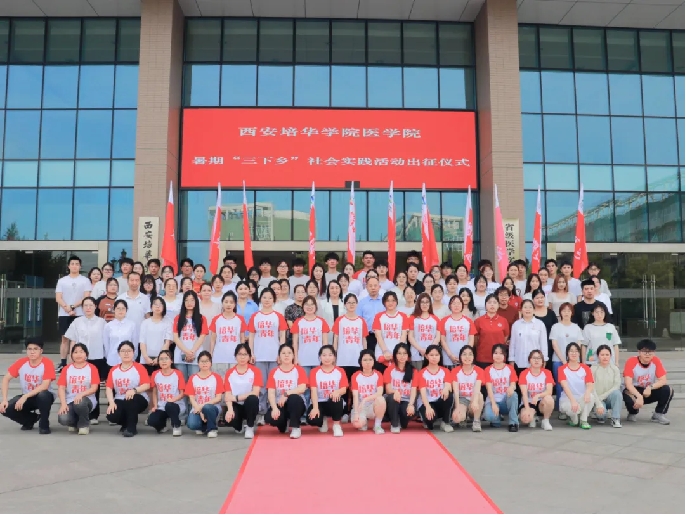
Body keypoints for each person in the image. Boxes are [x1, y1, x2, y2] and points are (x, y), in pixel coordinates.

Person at [0, 337, 56, 433]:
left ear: (41, 351)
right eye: (29, 349)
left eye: (35, 349)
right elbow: (6, 379)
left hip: (44, 396)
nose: (32, 352)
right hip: (27, 397)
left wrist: (25, 396)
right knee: (6, 408)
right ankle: (30, 419)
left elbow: (45, 386)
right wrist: (4, 399)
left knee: (43, 395)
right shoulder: (22, 362)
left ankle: (44, 423)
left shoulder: (47, 363)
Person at [248, 288, 288, 417]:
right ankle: (262, 412)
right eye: (264, 297)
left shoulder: (278, 316)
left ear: (274, 300)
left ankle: (274, 410)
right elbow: (251, 336)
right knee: (261, 386)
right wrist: (251, 353)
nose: (267, 300)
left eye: (270, 298)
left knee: (274, 385)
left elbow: (282, 336)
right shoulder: (255, 316)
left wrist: (281, 354)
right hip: (259, 356)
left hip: (274, 356)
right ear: (260, 299)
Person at [105, 341, 150, 437]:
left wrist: (134, 390)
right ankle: (125, 424)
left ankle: (131, 428)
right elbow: (109, 388)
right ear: (119, 353)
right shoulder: (114, 370)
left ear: (133, 353)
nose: (126, 353)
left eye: (129, 351)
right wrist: (111, 402)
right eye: (123, 351)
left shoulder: (139, 367)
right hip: (120, 398)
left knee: (130, 400)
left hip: (138, 398)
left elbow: (147, 385)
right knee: (112, 415)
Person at [623, 339, 673, 425]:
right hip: (635, 390)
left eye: (650, 352)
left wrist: (650, 387)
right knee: (626, 392)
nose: (647, 354)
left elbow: (663, 380)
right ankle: (632, 412)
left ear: (654, 353)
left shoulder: (656, 361)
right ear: (639, 352)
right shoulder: (631, 361)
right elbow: (628, 384)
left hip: (649, 390)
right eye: (644, 351)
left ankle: (658, 414)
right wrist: (639, 396)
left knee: (668, 389)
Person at [55, 255, 92, 372]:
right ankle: (63, 363)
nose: (75, 266)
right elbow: (58, 297)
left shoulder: (85, 280)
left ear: (80, 266)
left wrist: (73, 307)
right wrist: (67, 308)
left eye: (77, 264)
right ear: (68, 266)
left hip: (80, 313)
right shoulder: (62, 281)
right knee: (65, 338)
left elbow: (86, 297)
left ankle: (76, 362)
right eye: (72, 264)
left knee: (78, 339)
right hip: (64, 314)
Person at [292, 296, 330, 407]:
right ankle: (305, 410)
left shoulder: (321, 322)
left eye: (312, 304)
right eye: (306, 304)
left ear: (316, 307)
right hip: (303, 359)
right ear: (303, 307)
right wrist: (295, 357)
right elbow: (295, 342)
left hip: (318, 360)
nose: (309, 307)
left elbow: (325, 343)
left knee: (317, 385)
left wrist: (325, 358)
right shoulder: (298, 322)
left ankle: (316, 408)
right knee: (304, 386)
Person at [265, 344, 308, 439]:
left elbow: (302, 388)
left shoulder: (299, 370)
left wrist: (286, 394)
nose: (286, 355)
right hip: (279, 404)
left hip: (296, 404)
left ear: (293, 356)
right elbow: (271, 393)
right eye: (283, 353)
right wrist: (274, 408)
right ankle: (283, 424)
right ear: (279, 356)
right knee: (270, 418)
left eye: (289, 353)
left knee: (294, 397)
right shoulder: (274, 372)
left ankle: (296, 427)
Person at [549, 302, 584, 418]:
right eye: (564, 311)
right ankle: (561, 409)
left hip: (573, 362)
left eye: (569, 311)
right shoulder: (556, 327)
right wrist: (564, 360)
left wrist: (573, 360)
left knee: (572, 385)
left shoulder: (576, 328)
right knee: (560, 385)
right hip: (558, 361)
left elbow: (579, 345)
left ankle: (573, 406)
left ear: (572, 313)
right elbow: (554, 344)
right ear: (560, 313)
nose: (566, 313)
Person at [332, 294, 368, 404]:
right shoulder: (340, 320)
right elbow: (335, 339)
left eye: (353, 303)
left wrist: (365, 356)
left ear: (357, 304)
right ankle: (343, 409)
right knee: (343, 386)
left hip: (357, 358)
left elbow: (364, 339)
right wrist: (334, 356)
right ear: (345, 305)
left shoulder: (361, 321)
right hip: (343, 359)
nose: (351, 305)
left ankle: (354, 407)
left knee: (355, 386)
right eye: (349, 303)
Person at [57, 343, 100, 435]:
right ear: (71, 355)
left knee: (80, 403)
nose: (78, 354)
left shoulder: (92, 368)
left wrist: (81, 394)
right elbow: (61, 388)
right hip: (70, 400)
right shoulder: (67, 369)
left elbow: (94, 388)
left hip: (87, 400)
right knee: (63, 418)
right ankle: (74, 422)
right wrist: (63, 404)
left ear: (86, 354)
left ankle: (84, 425)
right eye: (75, 352)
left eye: (81, 352)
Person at [306, 346, 348, 437]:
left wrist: (337, 392)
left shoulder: (340, 371)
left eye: (330, 355)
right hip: (319, 402)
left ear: (334, 357)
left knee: (337, 398)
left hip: (333, 401)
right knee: (312, 419)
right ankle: (322, 419)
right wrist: (315, 408)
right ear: (320, 357)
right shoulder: (314, 371)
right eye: (324, 355)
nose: (327, 358)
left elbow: (344, 389)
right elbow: (313, 391)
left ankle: (336, 425)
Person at [223, 344, 262, 439]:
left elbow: (255, 392)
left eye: (245, 354)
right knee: (230, 419)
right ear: (235, 356)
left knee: (252, 399)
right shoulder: (229, 373)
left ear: (249, 356)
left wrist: (237, 397)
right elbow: (228, 395)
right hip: (236, 405)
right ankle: (239, 426)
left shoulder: (255, 371)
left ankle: (250, 426)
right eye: (240, 354)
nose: (242, 357)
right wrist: (230, 410)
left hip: (249, 404)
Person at [185, 351, 224, 438]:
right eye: (202, 361)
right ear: (198, 363)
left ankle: (212, 429)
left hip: (212, 407)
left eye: (207, 361)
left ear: (211, 363)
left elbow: (218, 398)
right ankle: (204, 427)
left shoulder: (216, 377)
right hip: (197, 407)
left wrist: (202, 406)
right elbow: (191, 398)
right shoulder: (193, 378)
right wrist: (199, 409)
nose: (204, 363)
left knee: (207, 407)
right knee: (192, 424)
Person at [209, 291, 248, 379]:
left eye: (231, 302)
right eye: (226, 302)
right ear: (222, 303)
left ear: (235, 304)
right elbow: (213, 339)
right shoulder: (216, 319)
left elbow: (242, 338)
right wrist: (211, 354)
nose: (228, 304)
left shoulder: (240, 319)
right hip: (219, 357)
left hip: (235, 358)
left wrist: (242, 355)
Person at [147, 350, 186, 436]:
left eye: (166, 358)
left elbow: (182, 393)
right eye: (161, 359)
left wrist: (173, 400)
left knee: (170, 405)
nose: (163, 361)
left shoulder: (178, 373)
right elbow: (154, 392)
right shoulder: (155, 374)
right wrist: (155, 406)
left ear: (171, 361)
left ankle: (176, 425)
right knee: (151, 420)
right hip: (162, 406)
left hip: (176, 405)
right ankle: (162, 427)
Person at [558, 342, 596, 429]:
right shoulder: (562, 369)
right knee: (574, 413)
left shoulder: (585, 368)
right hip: (568, 399)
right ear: (567, 353)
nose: (574, 353)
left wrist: (587, 393)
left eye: (576, 351)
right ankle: (574, 419)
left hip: (581, 398)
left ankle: (583, 420)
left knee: (590, 396)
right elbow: (565, 386)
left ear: (579, 353)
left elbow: (590, 384)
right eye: (571, 351)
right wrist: (573, 401)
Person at [173, 291, 209, 380]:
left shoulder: (202, 318)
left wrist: (191, 352)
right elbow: (175, 338)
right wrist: (186, 352)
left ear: (196, 302)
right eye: (187, 300)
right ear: (183, 302)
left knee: (194, 382)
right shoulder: (178, 318)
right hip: (180, 355)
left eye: (192, 300)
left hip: (196, 355)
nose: (189, 303)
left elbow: (202, 337)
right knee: (182, 382)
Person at [417, 345, 454, 432]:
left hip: (439, 401)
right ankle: (427, 419)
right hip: (427, 402)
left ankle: (445, 422)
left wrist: (446, 388)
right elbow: (423, 393)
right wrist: (428, 407)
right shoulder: (422, 373)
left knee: (449, 395)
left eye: (437, 355)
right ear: (426, 356)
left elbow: (448, 385)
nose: (434, 357)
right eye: (431, 355)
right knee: (430, 422)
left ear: (440, 356)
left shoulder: (445, 371)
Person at [383, 343, 418, 433]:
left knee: (405, 421)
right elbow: (388, 389)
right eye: (399, 353)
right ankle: (394, 424)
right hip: (394, 399)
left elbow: (414, 390)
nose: (402, 356)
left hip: (406, 400)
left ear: (408, 356)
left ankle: (401, 420)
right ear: (395, 355)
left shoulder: (413, 371)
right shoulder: (389, 369)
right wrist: (396, 392)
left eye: (404, 353)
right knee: (392, 397)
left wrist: (411, 405)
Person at [483, 344, 519, 432]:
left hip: (505, 401)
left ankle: (513, 423)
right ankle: (496, 419)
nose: (498, 355)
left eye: (501, 353)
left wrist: (511, 387)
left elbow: (513, 384)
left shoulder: (510, 368)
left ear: (505, 355)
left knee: (514, 395)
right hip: (493, 400)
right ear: (492, 355)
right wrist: (493, 404)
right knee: (489, 416)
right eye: (495, 353)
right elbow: (489, 389)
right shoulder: (488, 369)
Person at [450, 344, 485, 432]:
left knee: (479, 395)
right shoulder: (455, 371)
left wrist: (475, 401)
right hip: (462, 399)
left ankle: (476, 421)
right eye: (464, 354)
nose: (467, 357)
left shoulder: (479, 370)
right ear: (460, 357)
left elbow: (477, 388)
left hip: (474, 398)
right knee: (457, 418)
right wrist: (457, 408)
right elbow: (456, 392)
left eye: (470, 354)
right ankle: (464, 417)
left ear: (473, 356)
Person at [372, 292, 409, 372]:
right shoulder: (379, 316)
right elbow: (378, 336)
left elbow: (403, 335)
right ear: (384, 302)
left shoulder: (403, 316)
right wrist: (385, 351)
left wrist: (397, 352)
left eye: (393, 300)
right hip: (382, 353)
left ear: (396, 302)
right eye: (388, 301)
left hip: (399, 355)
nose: (390, 303)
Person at [351, 350, 386, 434]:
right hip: (360, 406)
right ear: (360, 361)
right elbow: (355, 396)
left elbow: (379, 393)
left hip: (373, 405)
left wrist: (365, 399)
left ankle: (377, 425)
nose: (368, 362)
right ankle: (363, 421)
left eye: (370, 359)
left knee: (381, 399)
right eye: (365, 360)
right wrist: (356, 413)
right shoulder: (356, 375)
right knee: (357, 424)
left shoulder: (378, 374)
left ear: (374, 361)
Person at [518, 350, 554, 431]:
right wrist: (527, 409)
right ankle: (532, 416)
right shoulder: (524, 373)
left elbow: (549, 391)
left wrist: (538, 395)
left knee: (549, 399)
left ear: (542, 361)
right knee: (525, 419)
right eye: (534, 358)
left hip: (541, 402)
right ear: (529, 360)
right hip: (529, 401)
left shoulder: (547, 373)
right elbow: (524, 394)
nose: (536, 360)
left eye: (539, 358)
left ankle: (545, 420)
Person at [509, 300, 548, 374]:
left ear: (534, 310)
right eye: (525, 307)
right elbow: (512, 344)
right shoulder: (516, 325)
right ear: (521, 310)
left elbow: (543, 344)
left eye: (530, 307)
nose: (528, 309)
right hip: (519, 362)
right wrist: (511, 360)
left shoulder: (540, 324)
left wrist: (544, 359)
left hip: (536, 363)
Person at [473, 294, 510, 369]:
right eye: (489, 302)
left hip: (499, 358)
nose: (492, 305)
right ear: (485, 305)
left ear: (498, 305)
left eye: (495, 302)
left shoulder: (503, 320)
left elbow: (505, 338)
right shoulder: (478, 321)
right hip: (483, 358)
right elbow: (475, 340)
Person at [440, 296, 477, 369]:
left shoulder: (468, 321)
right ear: (450, 305)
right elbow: (442, 340)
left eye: (459, 303)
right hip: (448, 358)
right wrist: (450, 355)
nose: (456, 306)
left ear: (462, 305)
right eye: (454, 303)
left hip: (466, 359)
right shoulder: (444, 321)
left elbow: (471, 340)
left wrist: (466, 355)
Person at [591, 345, 623, 428]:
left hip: (609, 397)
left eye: (607, 355)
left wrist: (603, 396)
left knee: (617, 393)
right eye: (602, 355)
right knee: (601, 416)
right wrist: (598, 403)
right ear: (598, 356)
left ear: (610, 356)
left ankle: (615, 418)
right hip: (597, 399)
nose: (605, 357)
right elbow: (591, 388)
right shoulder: (593, 369)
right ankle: (599, 413)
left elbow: (616, 386)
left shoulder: (614, 368)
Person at [139, 297, 172, 375]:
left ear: (164, 308)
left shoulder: (168, 322)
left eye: (160, 305)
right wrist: (146, 357)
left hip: (162, 360)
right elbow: (142, 342)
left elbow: (167, 343)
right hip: (146, 359)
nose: (158, 306)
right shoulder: (145, 323)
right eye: (155, 304)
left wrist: (159, 358)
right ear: (151, 307)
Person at [582, 302, 620, 368]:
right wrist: (583, 362)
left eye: (602, 312)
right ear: (592, 313)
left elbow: (615, 345)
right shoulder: (588, 328)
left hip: (609, 362)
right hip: (592, 362)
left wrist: (616, 362)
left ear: (605, 313)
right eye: (597, 312)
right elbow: (584, 345)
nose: (599, 315)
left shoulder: (610, 327)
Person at [408, 293, 440, 371]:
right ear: (418, 303)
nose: (424, 304)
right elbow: (410, 337)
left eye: (427, 302)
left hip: (432, 355)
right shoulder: (413, 318)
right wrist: (420, 349)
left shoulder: (436, 319)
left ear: (430, 304)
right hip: (416, 354)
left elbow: (437, 337)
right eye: (422, 302)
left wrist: (429, 351)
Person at [103, 300, 139, 366]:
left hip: (128, 360)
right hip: (112, 360)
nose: (120, 311)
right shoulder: (108, 326)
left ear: (126, 310)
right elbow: (106, 345)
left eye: (123, 308)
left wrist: (133, 357)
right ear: (114, 310)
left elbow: (135, 343)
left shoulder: (132, 325)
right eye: (118, 308)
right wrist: (109, 356)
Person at [356, 277, 385, 358]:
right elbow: (359, 320)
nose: (373, 288)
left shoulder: (385, 302)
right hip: (368, 336)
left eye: (375, 285)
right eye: (370, 286)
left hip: (383, 335)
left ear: (379, 287)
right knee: (369, 358)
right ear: (366, 287)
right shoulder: (361, 303)